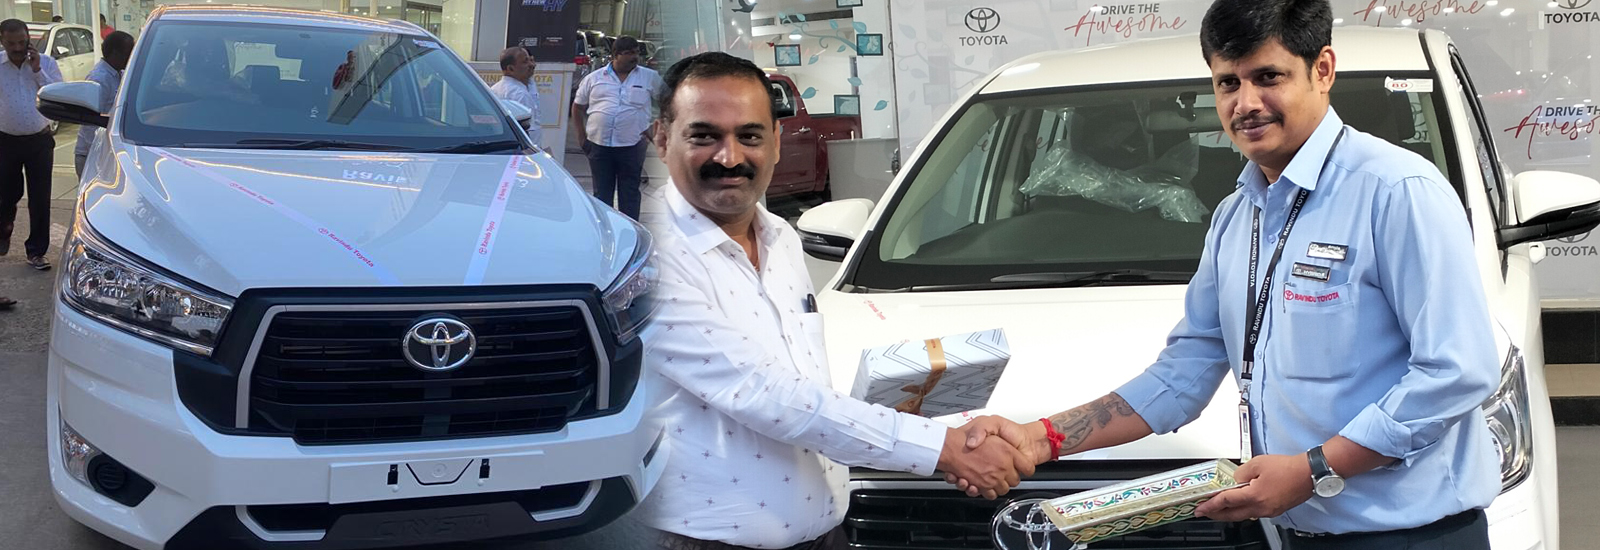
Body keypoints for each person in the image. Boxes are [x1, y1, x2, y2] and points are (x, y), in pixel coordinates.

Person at [960, 0, 1501, 548]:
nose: (1246, 104)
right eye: (1227, 83)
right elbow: (1182, 374)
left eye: (1268, 77)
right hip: (1295, 534)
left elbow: (1457, 372)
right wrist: (1040, 438)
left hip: (1412, 537)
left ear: (1322, 70)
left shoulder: (1397, 192)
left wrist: (1313, 469)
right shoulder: (1237, 217)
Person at [636, 52, 1035, 550]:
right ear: (662, 138)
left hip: (825, 530)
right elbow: (761, 392)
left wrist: (912, 404)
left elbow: (800, 379)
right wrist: (946, 448)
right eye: (704, 136)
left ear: (776, 141)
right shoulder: (647, 258)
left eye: (750, 136)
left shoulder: (781, 237)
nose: (730, 157)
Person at [571, 35, 660, 220]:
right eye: (629, 53)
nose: (634, 57)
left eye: (636, 52)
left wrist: (655, 128)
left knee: (630, 194)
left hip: (632, 146)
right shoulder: (594, 78)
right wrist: (581, 137)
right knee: (602, 195)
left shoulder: (649, 77)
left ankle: (631, 231)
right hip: (599, 146)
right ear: (615, 55)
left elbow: (670, 102)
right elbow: (578, 107)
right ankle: (606, 230)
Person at [0, 19, 63, 271]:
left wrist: (37, 70)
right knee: (6, 195)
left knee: (40, 198)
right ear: (2, 41)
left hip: (39, 140)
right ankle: (4, 231)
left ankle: (36, 251)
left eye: (21, 42)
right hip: (5, 141)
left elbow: (57, 96)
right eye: (11, 43)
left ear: (29, 40)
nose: (17, 48)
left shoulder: (46, 63)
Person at [75, 30, 132, 179]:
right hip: (93, 155)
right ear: (115, 53)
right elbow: (89, 122)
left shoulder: (119, 74)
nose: (131, 57)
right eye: (128, 52)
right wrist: (101, 151)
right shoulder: (100, 79)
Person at [489, 46, 542, 147]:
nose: (532, 65)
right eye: (525, 62)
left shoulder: (495, 89)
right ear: (510, 69)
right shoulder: (519, 94)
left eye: (531, 60)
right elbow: (527, 131)